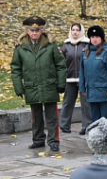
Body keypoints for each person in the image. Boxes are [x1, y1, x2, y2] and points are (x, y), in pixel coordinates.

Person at [11, 16, 66, 152]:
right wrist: (19, 86)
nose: (34, 33)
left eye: (37, 30)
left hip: (49, 85)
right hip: (32, 86)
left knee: (51, 116)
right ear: (27, 31)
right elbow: (15, 68)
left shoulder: (51, 45)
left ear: (41, 31)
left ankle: (53, 141)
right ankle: (38, 140)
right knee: (35, 117)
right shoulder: (20, 48)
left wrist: (61, 83)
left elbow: (60, 65)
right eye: (32, 30)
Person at [79, 25, 107, 124]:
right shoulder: (85, 53)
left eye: (97, 37)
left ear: (102, 38)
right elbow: (82, 72)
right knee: (95, 119)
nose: (95, 39)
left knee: (105, 120)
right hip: (91, 91)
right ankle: (97, 138)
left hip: (104, 91)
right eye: (92, 37)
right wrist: (82, 88)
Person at [59, 22, 92, 136]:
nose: (75, 32)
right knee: (67, 102)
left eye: (77, 30)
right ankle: (64, 125)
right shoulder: (66, 45)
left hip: (84, 79)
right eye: (73, 30)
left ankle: (87, 126)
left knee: (86, 103)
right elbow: (60, 62)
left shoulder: (87, 44)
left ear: (81, 31)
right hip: (69, 78)